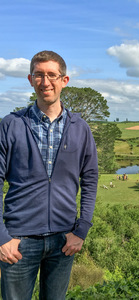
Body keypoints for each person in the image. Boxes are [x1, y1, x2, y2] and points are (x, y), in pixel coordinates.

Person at [0, 50, 99, 300]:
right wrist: (1, 237)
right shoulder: (10, 125)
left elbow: (90, 180)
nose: (46, 82)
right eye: (39, 75)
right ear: (30, 79)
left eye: (52, 75)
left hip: (63, 241)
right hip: (17, 241)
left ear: (64, 80)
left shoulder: (80, 128)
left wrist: (81, 230)